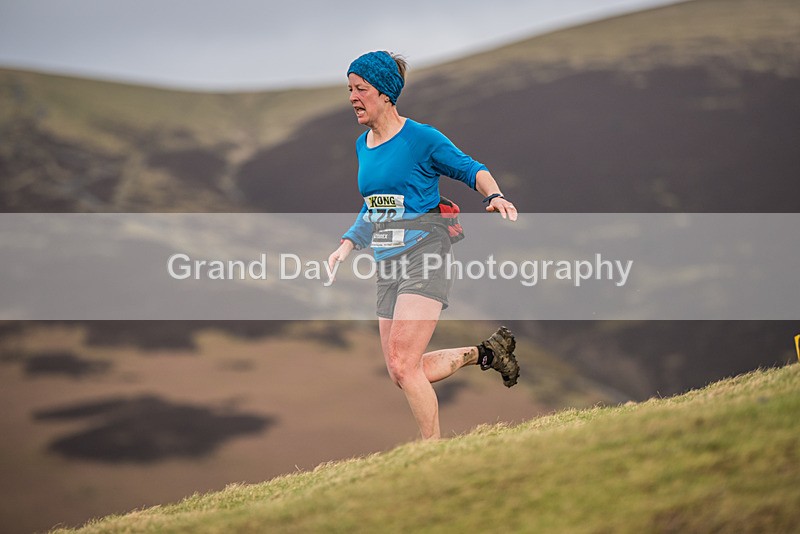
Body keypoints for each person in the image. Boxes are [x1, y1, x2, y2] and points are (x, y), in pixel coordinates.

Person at [328, 50, 520, 440]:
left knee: (403, 363)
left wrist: (493, 195)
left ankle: (431, 453)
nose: (352, 97)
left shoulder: (421, 138)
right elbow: (374, 205)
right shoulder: (363, 144)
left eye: (360, 88)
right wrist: (348, 244)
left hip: (425, 252)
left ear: (385, 93)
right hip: (388, 261)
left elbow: (471, 169)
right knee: (402, 371)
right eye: (349, 89)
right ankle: (487, 353)